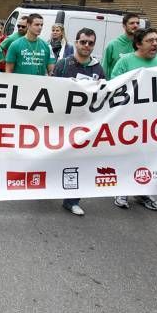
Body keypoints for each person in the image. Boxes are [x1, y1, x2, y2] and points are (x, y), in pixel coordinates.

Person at [51, 28, 106, 217]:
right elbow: (51, 92)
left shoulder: (98, 69)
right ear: (76, 42)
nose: (87, 46)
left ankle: (72, 200)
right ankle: (43, 188)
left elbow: (103, 97)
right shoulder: (63, 65)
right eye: (83, 42)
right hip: (61, 123)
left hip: (84, 127)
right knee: (53, 159)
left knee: (79, 163)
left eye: (90, 43)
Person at [110, 28, 157, 211]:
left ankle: (143, 192)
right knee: (127, 154)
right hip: (128, 120)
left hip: (152, 121)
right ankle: (122, 189)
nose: (155, 44)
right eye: (150, 41)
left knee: (147, 157)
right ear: (139, 44)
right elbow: (114, 88)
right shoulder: (125, 61)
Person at [103, 12, 141, 79]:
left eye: (137, 23)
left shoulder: (142, 45)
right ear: (124, 26)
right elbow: (104, 69)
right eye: (132, 23)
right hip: (116, 86)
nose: (135, 25)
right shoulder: (112, 45)